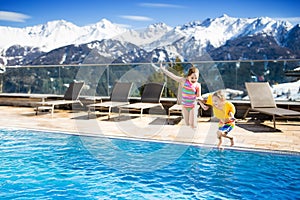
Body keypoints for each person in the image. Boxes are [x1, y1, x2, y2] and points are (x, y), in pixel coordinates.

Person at [160, 63, 206, 128]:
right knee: (187, 123)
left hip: (193, 105)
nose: (194, 80)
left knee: (193, 125)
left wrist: (202, 105)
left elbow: (198, 97)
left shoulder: (198, 85)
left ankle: (193, 134)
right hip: (184, 105)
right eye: (192, 77)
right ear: (188, 76)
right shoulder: (183, 81)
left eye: (196, 78)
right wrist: (163, 70)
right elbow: (172, 76)